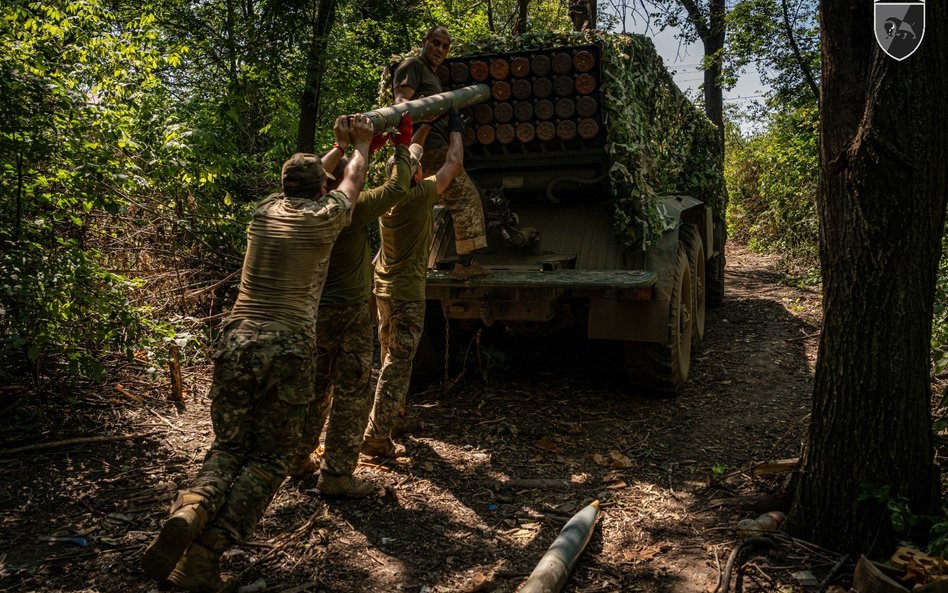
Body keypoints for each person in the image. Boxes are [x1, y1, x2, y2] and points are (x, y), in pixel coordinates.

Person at [141, 115, 376, 593]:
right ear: (319, 189)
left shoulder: (264, 211)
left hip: (235, 339)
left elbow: (312, 177)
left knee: (229, 446)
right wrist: (363, 145)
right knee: (271, 458)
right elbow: (352, 178)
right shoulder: (324, 217)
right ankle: (206, 554)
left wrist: (336, 144)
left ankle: (194, 506)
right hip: (286, 346)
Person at [289, 113, 419, 497]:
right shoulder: (349, 209)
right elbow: (397, 188)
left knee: (315, 384)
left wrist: (346, 148)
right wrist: (401, 143)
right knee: (353, 388)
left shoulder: (296, 207)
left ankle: (298, 457)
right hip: (348, 312)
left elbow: (320, 176)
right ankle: (337, 474)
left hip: (312, 311)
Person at [362, 111, 467, 458]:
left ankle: (392, 418)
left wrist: (419, 127)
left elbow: (408, 162)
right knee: (398, 364)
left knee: (388, 354)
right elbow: (454, 163)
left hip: (384, 292)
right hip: (407, 294)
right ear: (417, 174)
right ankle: (376, 436)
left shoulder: (387, 198)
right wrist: (455, 129)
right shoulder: (421, 197)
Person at [392, 25, 490, 280]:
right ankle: (465, 266)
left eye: (445, 46)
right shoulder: (412, 65)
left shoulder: (430, 74)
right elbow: (400, 106)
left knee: (425, 206)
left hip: (431, 146)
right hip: (428, 148)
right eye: (435, 43)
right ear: (424, 41)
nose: (440, 50)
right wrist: (427, 120)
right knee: (465, 199)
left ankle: (410, 263)